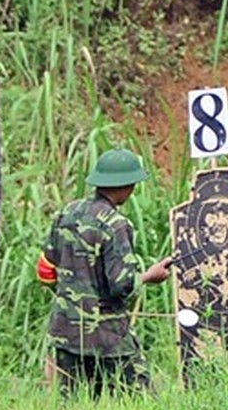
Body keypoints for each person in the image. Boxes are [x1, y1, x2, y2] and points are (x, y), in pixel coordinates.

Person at [36, 148, 171, 397]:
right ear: (124, 186)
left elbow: (45, 271)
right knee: (143, 402)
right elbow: (122, 285)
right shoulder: (116, 224)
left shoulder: (66, 213)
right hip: (108, 335)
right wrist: (149, 276)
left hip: (66, 331)